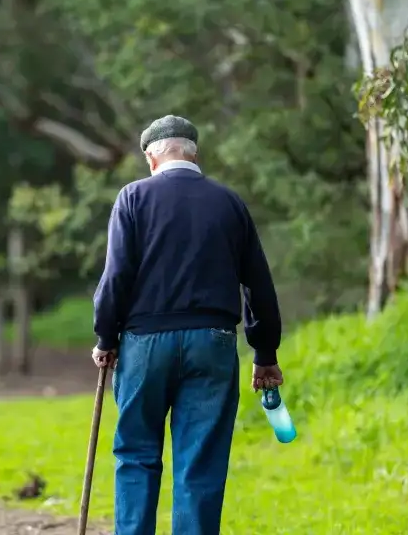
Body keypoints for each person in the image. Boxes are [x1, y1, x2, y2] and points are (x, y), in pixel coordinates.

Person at [91, 115, 284, 535]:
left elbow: (116, 276)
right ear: (194, 153)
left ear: (151, 157)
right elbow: (259, 285)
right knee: (200, 463)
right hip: (212, 342)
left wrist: (106, 336)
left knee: (137, 455)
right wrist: (265, 354)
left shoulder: (133, 198)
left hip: (144, 344)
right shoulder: (229, 202)